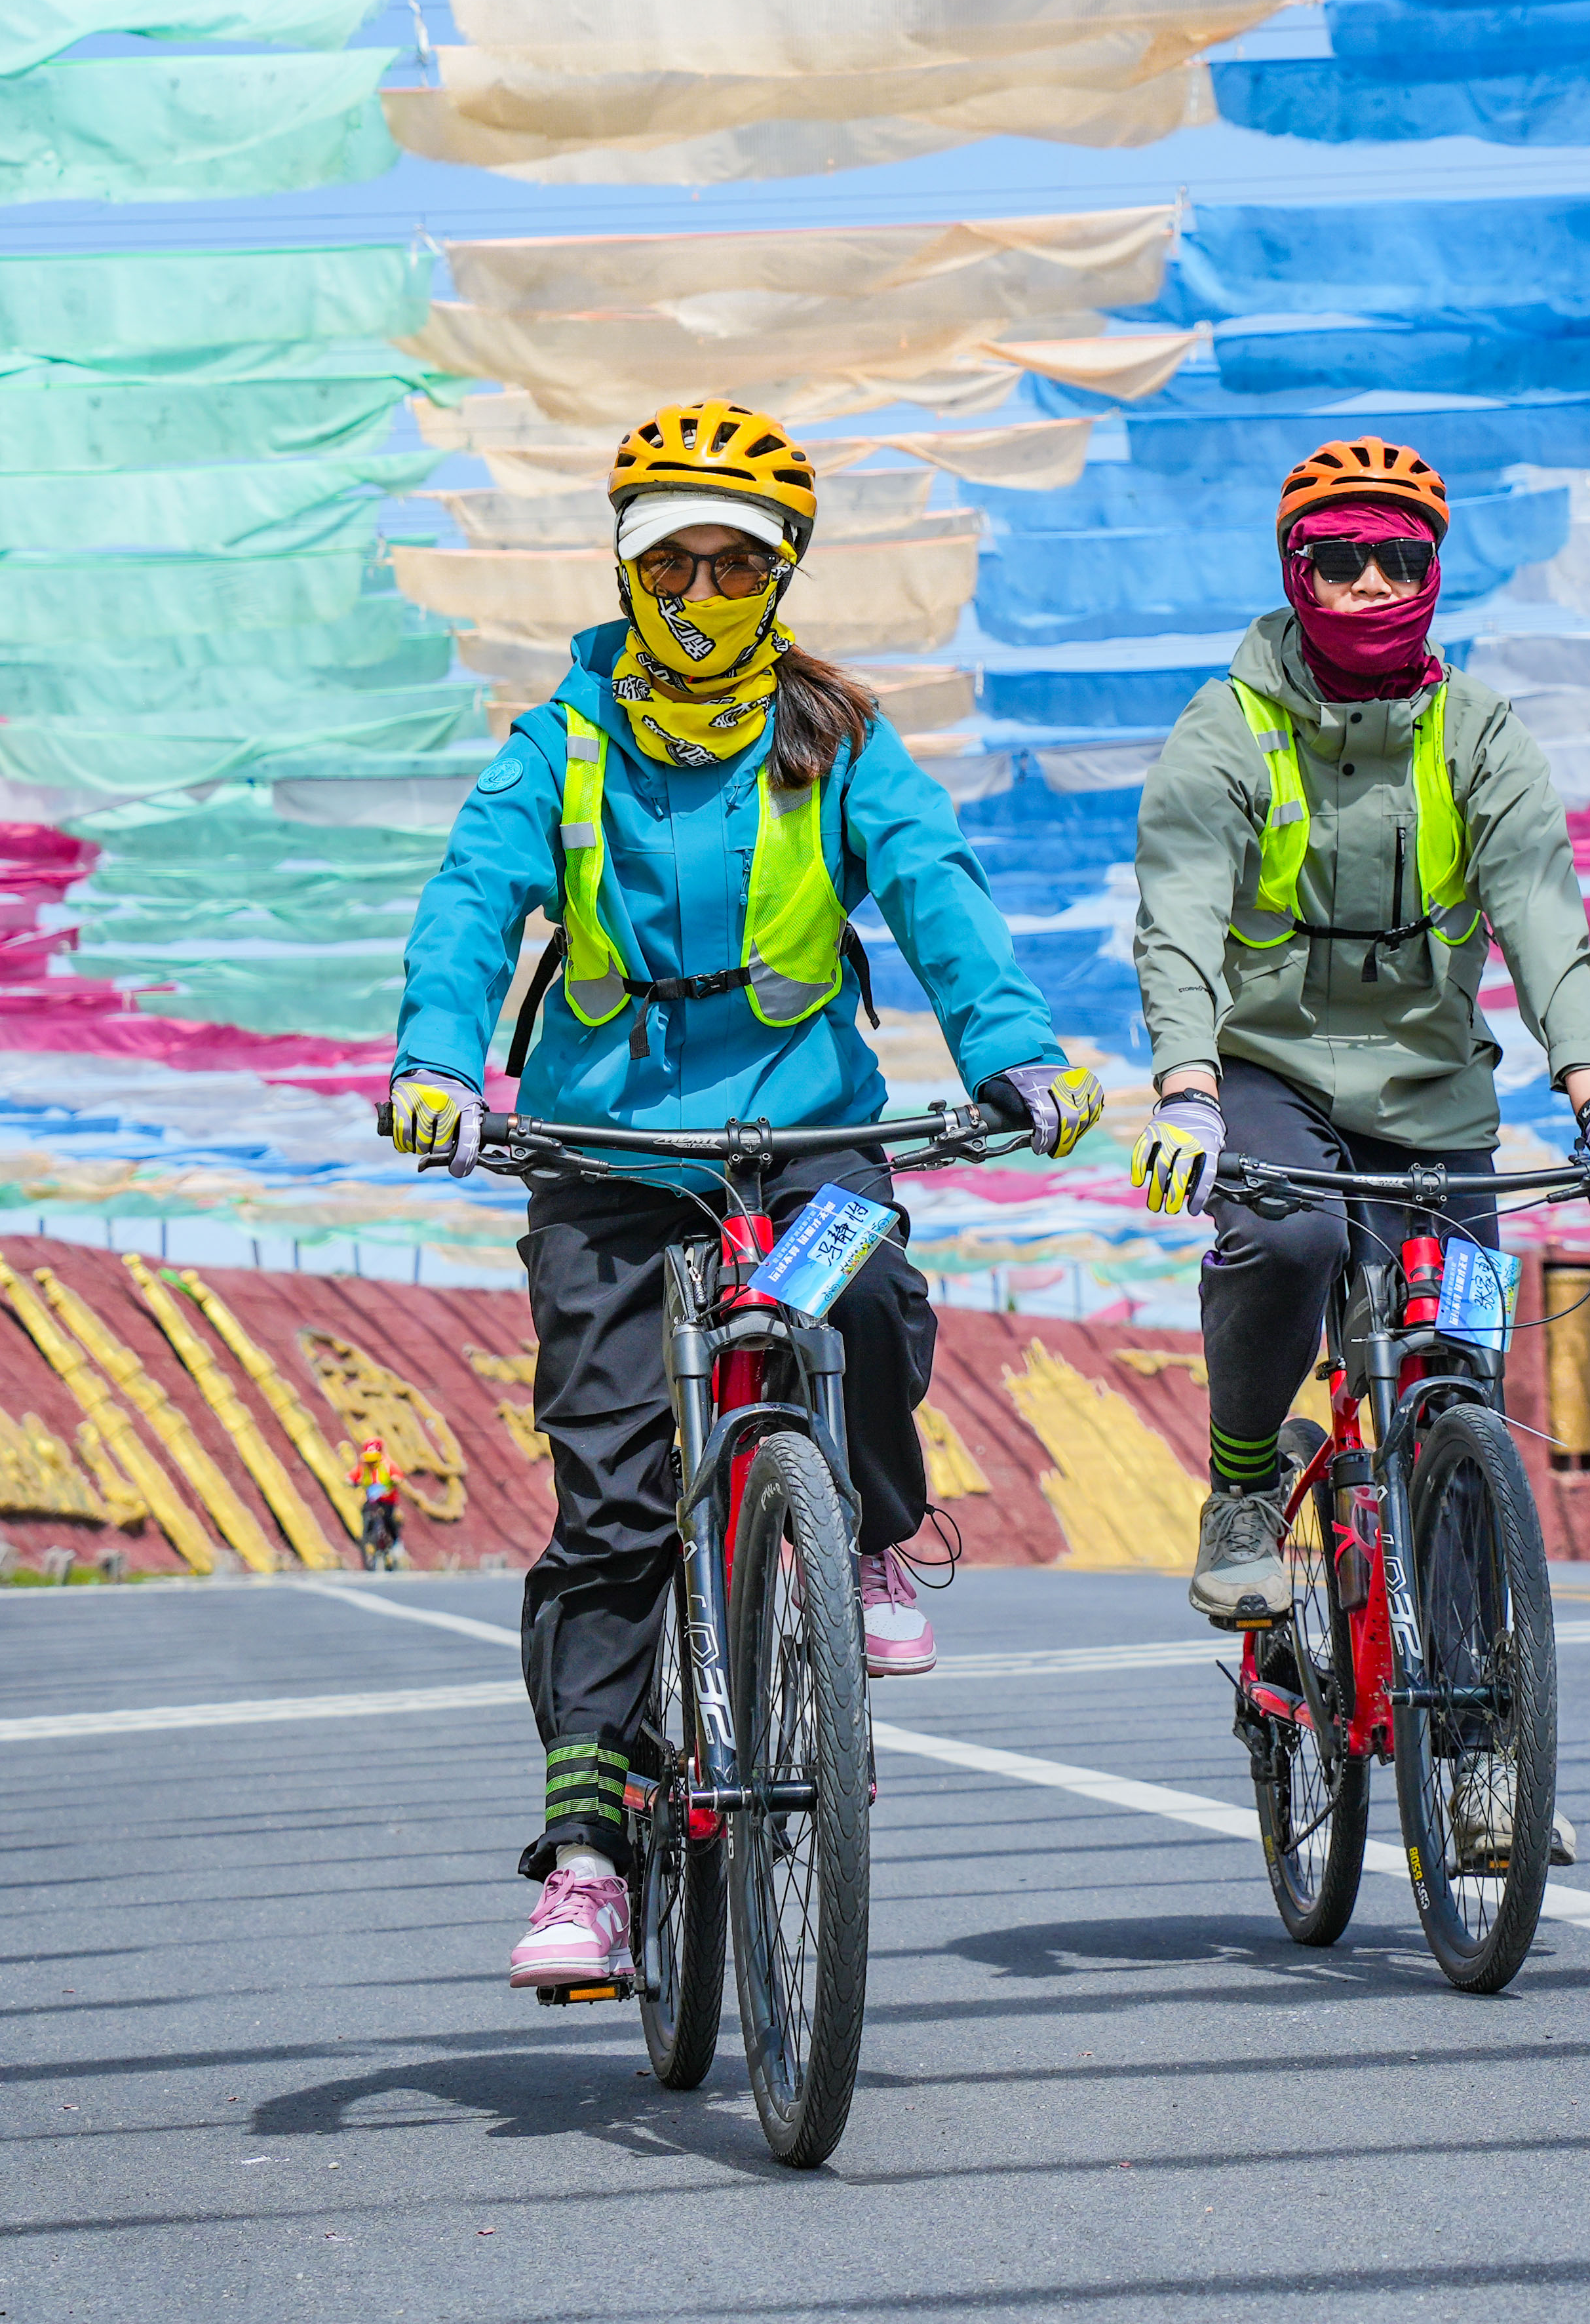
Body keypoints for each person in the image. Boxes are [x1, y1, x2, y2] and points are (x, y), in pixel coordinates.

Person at [383, 399, 1102, 1993]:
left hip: (800, 1140)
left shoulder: (842, 740)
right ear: (626, 570)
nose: (700, 593)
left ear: (781, 576)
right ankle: (587, 1859)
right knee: (613, 1506)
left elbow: (937, 891)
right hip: (604, 1160)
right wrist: (437, 1058)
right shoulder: (560, 742)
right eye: (672, 563)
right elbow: (471, 902)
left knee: (876, 1289)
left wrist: (1015, 1052)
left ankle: (872, 1539)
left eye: (734, 565)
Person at [1127, 435, 1590, 1669]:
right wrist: (1186, 1089)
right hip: (1268, 1071)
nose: (1370, 582)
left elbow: (1542, 916)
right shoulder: (1226, 726)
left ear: (1432, 574)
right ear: (1296, 572)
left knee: (1461, 1365)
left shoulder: (1480, 732)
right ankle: (1243, 1488)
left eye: (1398, 559)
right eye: (1339, 558)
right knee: (1285, 1240)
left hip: (1438, 1093)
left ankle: (1472, 1710)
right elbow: (1177, 914)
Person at [350, 1435, 403, 1572]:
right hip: (372, 1499)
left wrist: (395, 1480)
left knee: (389, 1519)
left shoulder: (387, 1464)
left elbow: (398, 1475)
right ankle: (368, 1541)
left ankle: (396, 1543)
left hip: (387, 1499)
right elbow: (353, 1476)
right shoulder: (364, 1466)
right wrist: (351, 1481)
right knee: (366, 1515)